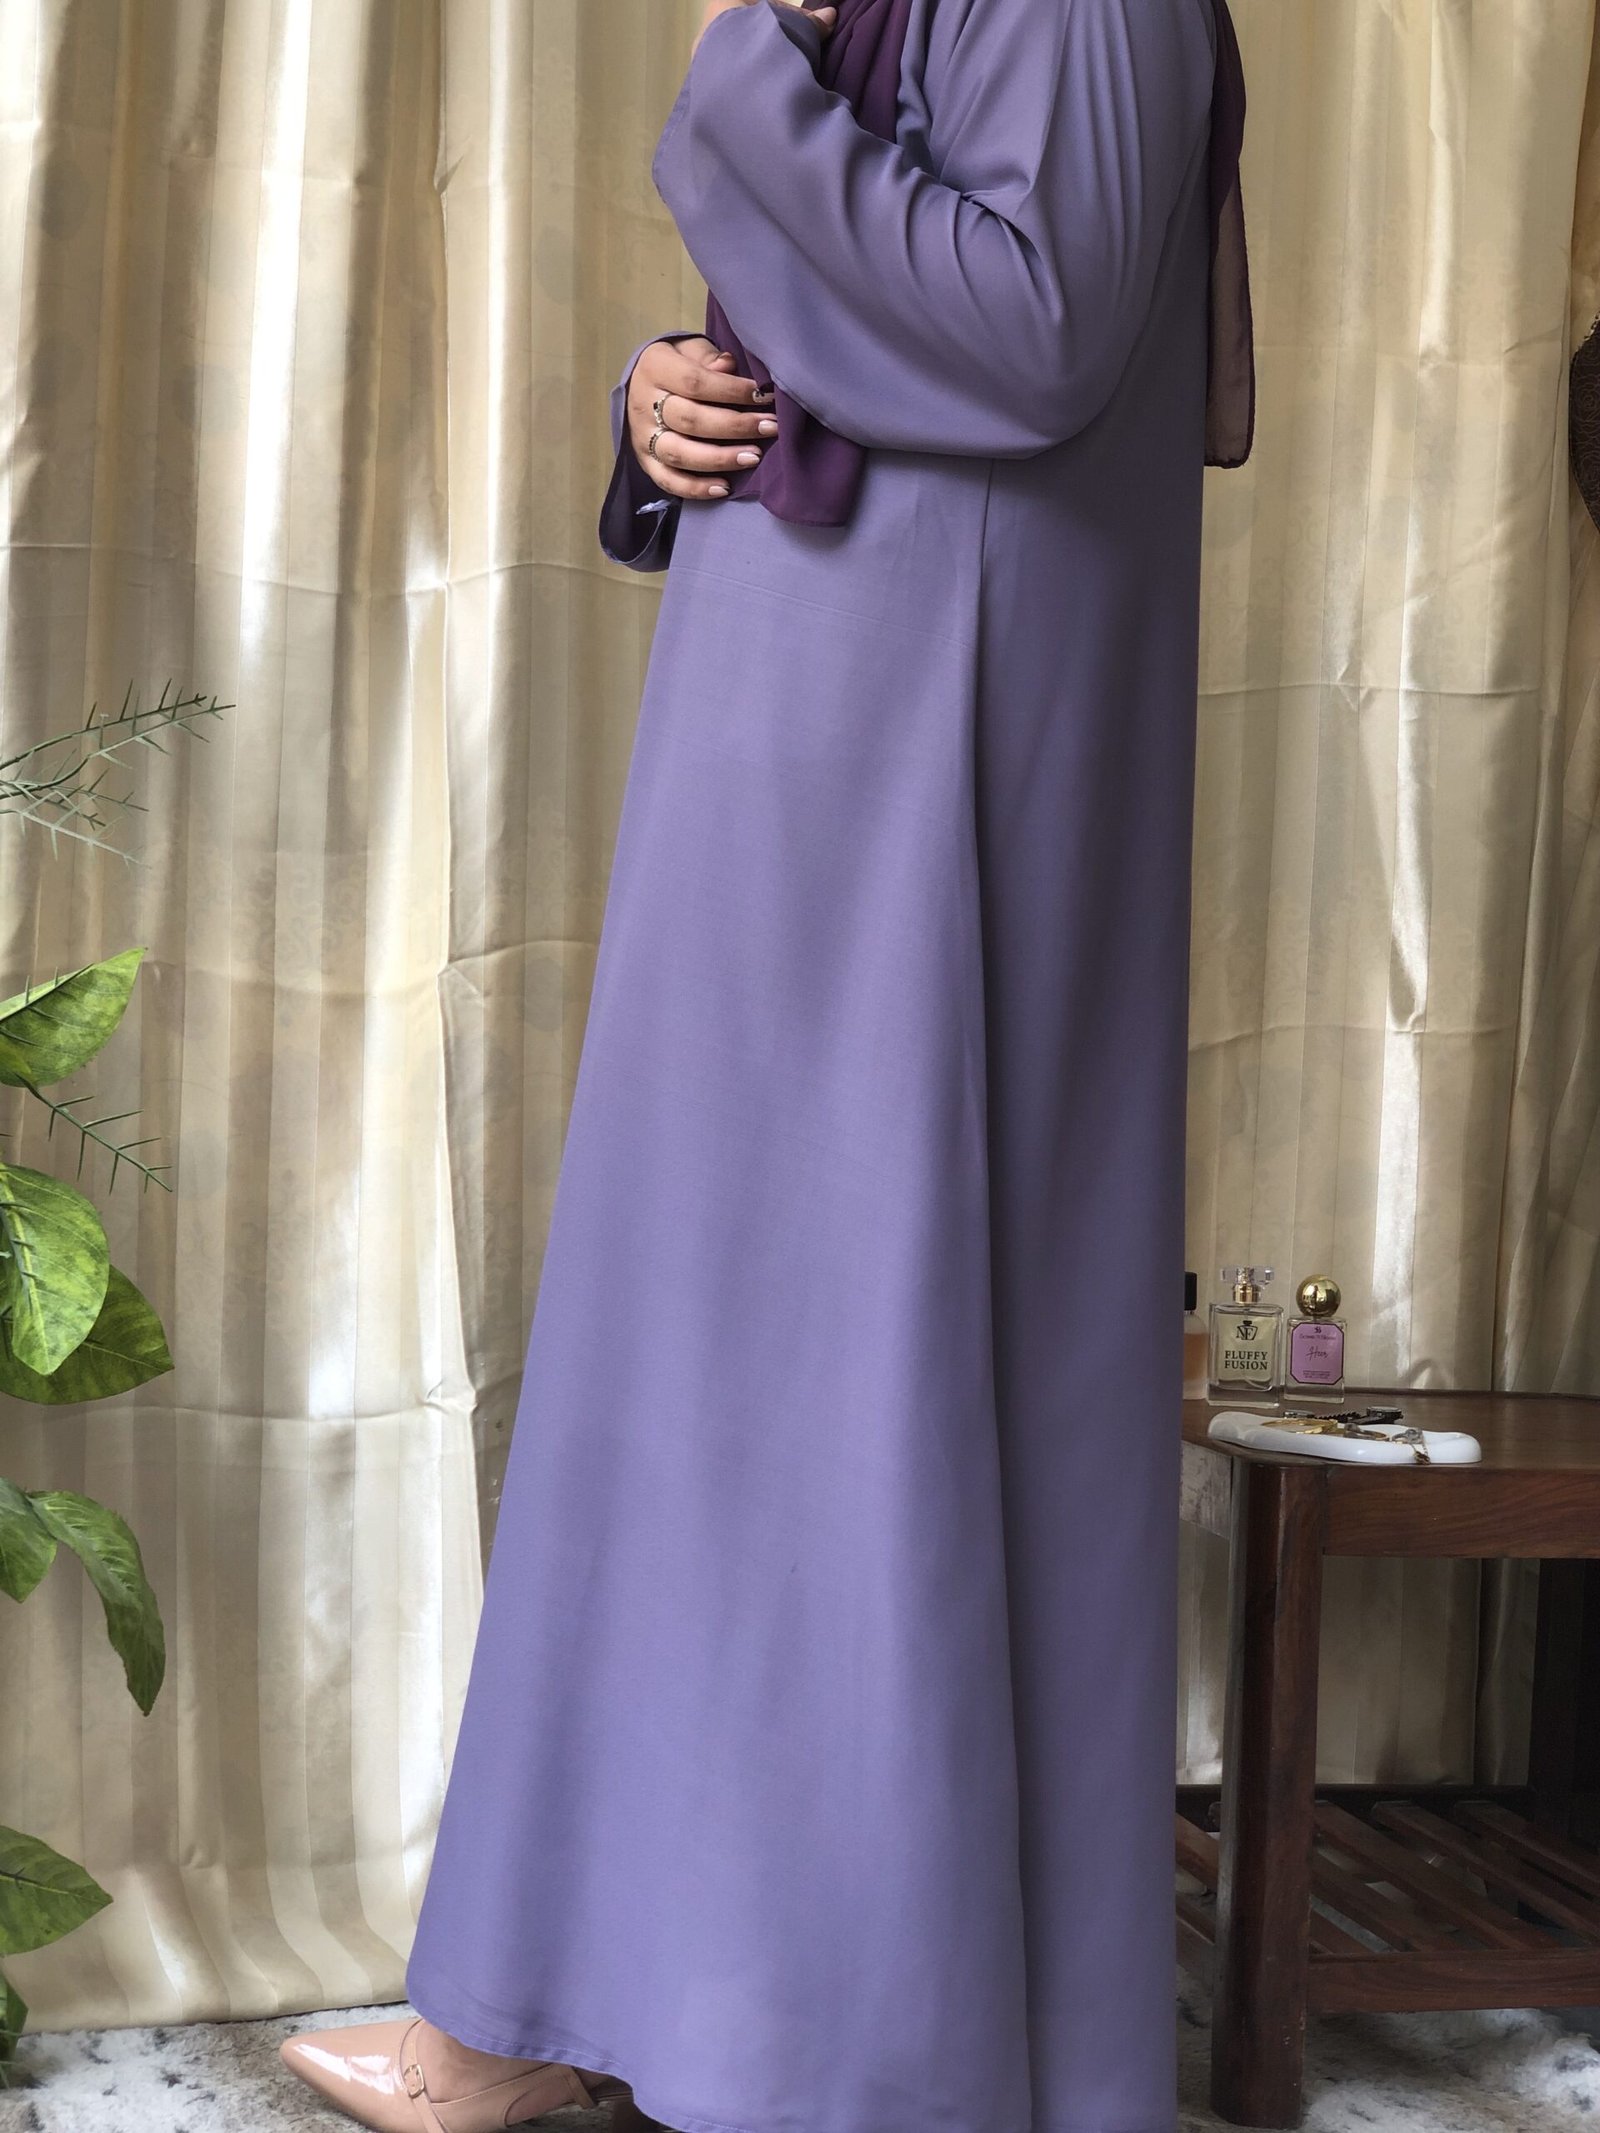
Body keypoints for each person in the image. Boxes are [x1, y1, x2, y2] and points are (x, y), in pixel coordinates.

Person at [278, 0, 1253, 2128]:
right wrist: (671, 399)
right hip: (829, 706)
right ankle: (569, 2001)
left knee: (852, 1369)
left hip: (921, 754)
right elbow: (882, 290)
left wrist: (737, 83)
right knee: (710, 1361)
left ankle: (837, 2052)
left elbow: (1038, 330)